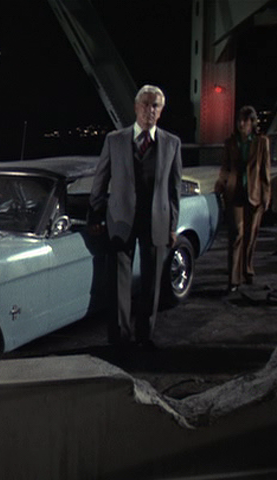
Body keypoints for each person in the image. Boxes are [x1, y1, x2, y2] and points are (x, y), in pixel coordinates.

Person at [88, 85, 182, 349]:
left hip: (157, 221)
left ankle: (144, 336)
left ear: (160, 111)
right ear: (136, 107)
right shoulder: (114, 140)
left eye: (155, 106)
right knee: (119, 283)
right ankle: (119, 337)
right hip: (120, 220)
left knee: (152, 283)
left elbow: (174, 189)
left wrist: (173, 226)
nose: (149, 110)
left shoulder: (172, 143)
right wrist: (96, 214)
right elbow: (100, 181)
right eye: (145, 104)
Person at [214, 106, 271, 292]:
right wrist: (220, 185)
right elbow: (225, 167)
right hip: (235, 192)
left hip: (254, 193)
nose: (241, 124)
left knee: (251, 235)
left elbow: (265, 171)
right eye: (239, 120)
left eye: (245, 121)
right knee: (236, 234)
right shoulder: (231, 142)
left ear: (252, 123)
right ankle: (233, 279)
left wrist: (266, 195)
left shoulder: (262, 142)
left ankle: (247, 269)